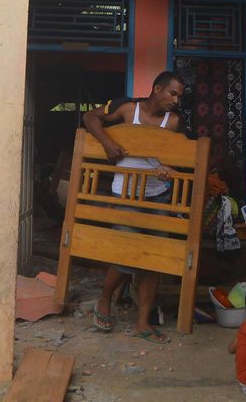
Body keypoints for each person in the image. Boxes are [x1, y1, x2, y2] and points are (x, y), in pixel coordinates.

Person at [82, 71, 186, 344]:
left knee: (153, 260)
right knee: (124, 254)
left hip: (158, 196)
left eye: (179, 97)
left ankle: (142, 323)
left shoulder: (173, 122)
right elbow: (90, 117)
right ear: (156, 88)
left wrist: (168, 170)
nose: (175, 100)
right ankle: (104, 300)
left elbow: (178, 161)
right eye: (172, 93)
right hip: (125, 195)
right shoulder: (128, 108)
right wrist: (108, 144)